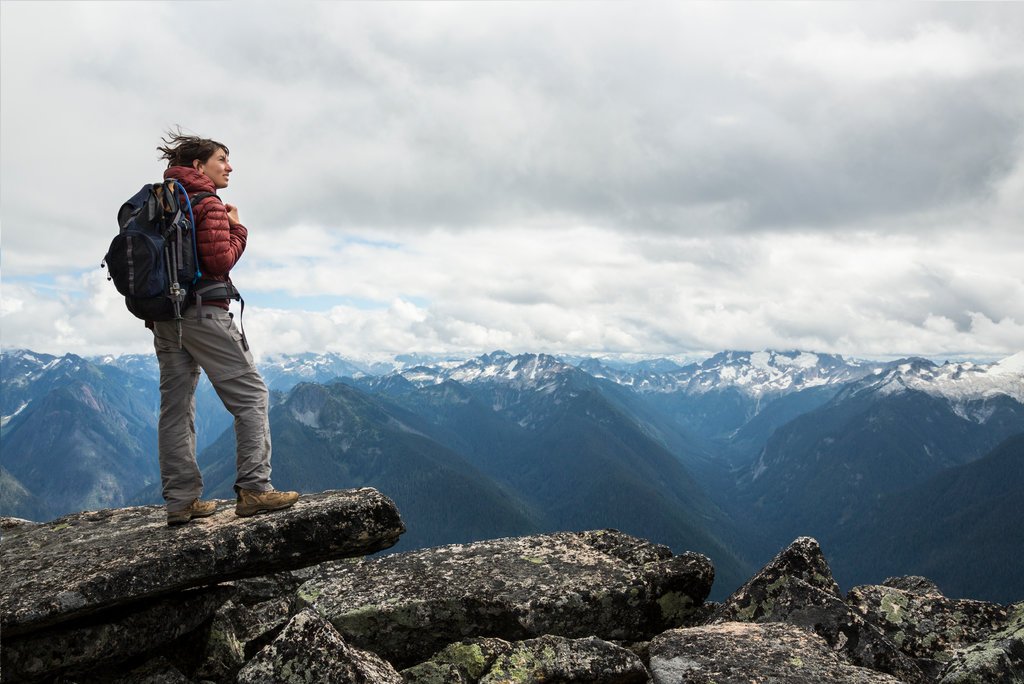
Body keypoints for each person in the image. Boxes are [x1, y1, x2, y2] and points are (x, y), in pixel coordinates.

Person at [153, 130, 298, 526]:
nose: (229, 167)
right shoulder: (207, 203)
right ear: (199, 166)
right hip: (203, 314)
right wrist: (238, 228)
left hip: (165, 318)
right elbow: (219, 263)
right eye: (222, 159)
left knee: (176, 408)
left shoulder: (160, 200)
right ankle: (254, 489)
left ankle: (180, 502)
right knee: (252, 396)